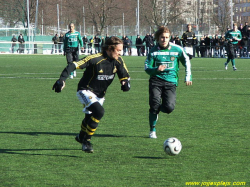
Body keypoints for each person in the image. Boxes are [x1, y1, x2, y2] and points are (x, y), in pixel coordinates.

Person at [52, 36, 130, 153]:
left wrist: (125, 83)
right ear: (109, 48)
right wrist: (62, 80)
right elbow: (73, 65)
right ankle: (86, 141)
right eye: (118, 50)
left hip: (100, 94)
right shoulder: (95, 59)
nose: (120, 53)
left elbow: (124, 75)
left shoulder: (119, 61)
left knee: (89, 118)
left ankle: (80, 136)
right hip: (85, 90)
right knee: (99, 112)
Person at [144, 26, 192, 139]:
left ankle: (156, 109)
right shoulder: (153, 51)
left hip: (171, 82)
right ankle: (152, 130)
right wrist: (156, 69)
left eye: (166, 37)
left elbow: (186, 61)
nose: (164, 40)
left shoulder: (177, 49)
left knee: (169, 108)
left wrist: (188, 76)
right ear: (157, 38)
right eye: (162, 37)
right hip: (155, 81)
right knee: (154, 103)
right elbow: (147, 68)